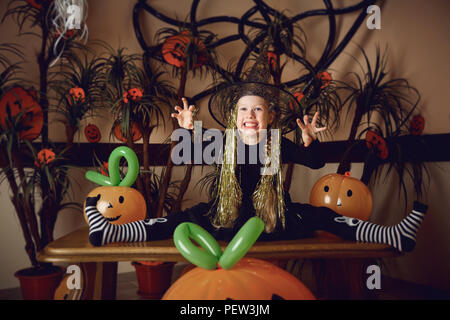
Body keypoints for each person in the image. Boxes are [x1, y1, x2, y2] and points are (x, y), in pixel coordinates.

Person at [85, 89, 428, 253]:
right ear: (236, 118)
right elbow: (191, 151)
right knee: (179, 220)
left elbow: (314, 163)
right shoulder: (222, 142)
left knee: (324, 216)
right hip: (226, 221)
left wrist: (308, 140)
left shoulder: (278, 143)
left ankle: (392, 236)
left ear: (269, 118)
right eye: (244, 109)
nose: (251, 114)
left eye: (258, 110)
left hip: (272, 222)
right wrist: (189, 130)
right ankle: (113, 232)